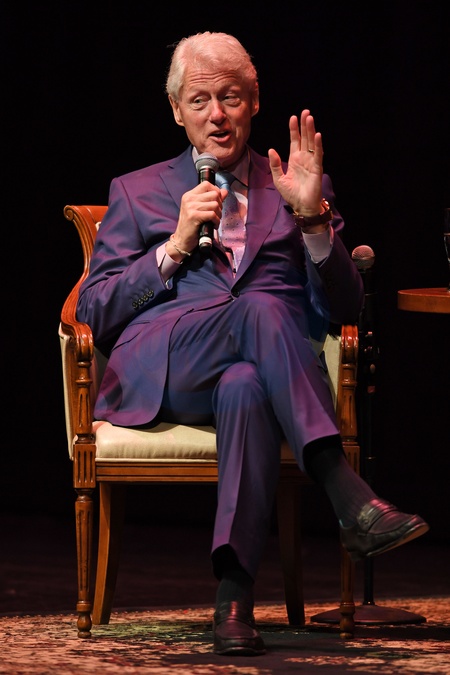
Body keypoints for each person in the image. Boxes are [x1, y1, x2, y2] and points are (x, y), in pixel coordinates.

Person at [76, 31, 429, 656]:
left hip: (263, 373)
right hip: (170, 366)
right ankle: (345, 491)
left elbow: (346, 309)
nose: (217, 114)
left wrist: (312, 219)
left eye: (231, 97)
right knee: (262, 307)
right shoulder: (137, 190)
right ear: (177, 110)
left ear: (255, 100)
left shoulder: (293, 186)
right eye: (200, 100)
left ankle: (234, 598)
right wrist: (173, 246)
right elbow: (95, 311)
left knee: (245, 385)